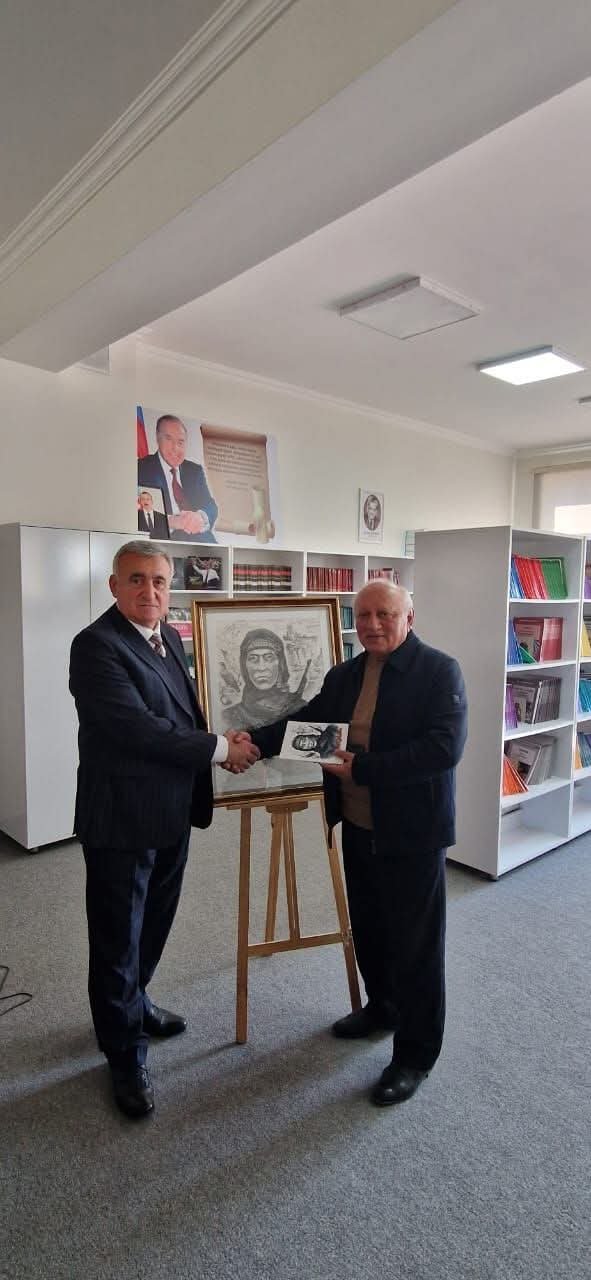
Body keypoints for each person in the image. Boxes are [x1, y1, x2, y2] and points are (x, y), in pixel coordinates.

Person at [248, 580, 467, 1106]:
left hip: (413, 833)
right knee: (369, 928)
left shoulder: (440, 671)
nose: (371, 624)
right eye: (363, 614)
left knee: (415, 944)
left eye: (384, 614)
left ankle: (415, 1054)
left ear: (409, 617)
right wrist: (251, 741)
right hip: (358, 823)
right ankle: (382, 1009)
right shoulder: (345, 675)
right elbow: (307, 725)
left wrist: (365, 769)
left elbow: (443, 749)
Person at [69, 540, 259, 1119]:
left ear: (169, 586)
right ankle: (124, 1052)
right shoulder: (96, 646)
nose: (149, 591)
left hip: (172, 809)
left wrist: (224, 737)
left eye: (158, 580)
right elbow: (137, 728)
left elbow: (183, 712)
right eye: (136, 580)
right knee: (118, 935)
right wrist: (222, 749)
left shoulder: (170, 636)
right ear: (113, 586)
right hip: (122, 815)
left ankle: (135, 1001)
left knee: (154, 919)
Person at [137, 414, 218, 543]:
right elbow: (138, 515)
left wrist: (200, 516)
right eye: (168, 439)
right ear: (157, 438)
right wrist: (171, 521)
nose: (175, 448)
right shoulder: (141, 468)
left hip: (201, 543)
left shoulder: (194, 470)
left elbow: (210, 505)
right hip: (163, 545)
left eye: (180, 442)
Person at [222, 628, 310, 730]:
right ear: (244, 666)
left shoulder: (302, 709)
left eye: (269, 657)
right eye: (253, 658)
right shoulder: (228, 717)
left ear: (280, 664)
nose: (261, 668)